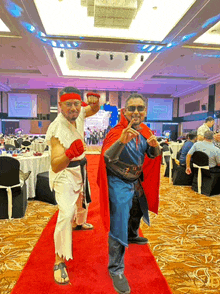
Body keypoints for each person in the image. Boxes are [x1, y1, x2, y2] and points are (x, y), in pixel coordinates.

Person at [97, 94, 161, 294]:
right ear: (124, 111)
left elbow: (151, 155)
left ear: (145, 112)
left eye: (140, 108)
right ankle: (115, 269)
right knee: (119, 221)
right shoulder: (117, 132)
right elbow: (107, 158)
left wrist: (154, 147)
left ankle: (132, 234)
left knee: (137, 209)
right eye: (131, 108)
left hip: (136, 179)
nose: (136, 112)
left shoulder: (145, 131)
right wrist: (122, 142)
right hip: (118, 180)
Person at [45, 87, 100, 285]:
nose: (74, 108)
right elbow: (55, 165)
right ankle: (59, 260)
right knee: (66, 213)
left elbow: (93, 109)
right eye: (68, 104)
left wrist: (95, 102)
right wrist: (69, 154)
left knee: (83, 199)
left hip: (81, 166)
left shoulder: (79, 112)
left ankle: (80, 223)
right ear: (60, 106)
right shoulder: (56, 129)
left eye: (76, 103)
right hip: (64, 173)